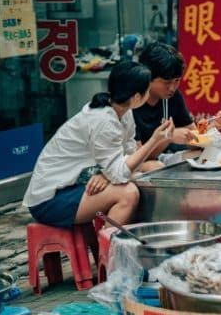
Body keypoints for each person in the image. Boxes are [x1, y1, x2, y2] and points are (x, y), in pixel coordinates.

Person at [23, 62, 173, 227]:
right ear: (137, 97)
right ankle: (108, 251)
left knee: (152, 171)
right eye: (147, 90)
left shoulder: (124, 113)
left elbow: (127, 157)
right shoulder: (104, 121)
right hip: (50, 199)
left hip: (75, 184)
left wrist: (106, 175)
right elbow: (119, 173)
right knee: (128, 194)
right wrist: (154, 140)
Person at [133, 42, 221, 159]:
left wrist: (213, 125)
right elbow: (136, 160)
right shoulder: (132, 102)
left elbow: (194, 141)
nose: (172, 88)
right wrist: (168, 136)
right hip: (134, 164)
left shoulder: (173, 97)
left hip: (160, 157)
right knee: (154, 166)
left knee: (203, 156)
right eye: (166, 82)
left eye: (176, 80)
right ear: (147, 77)